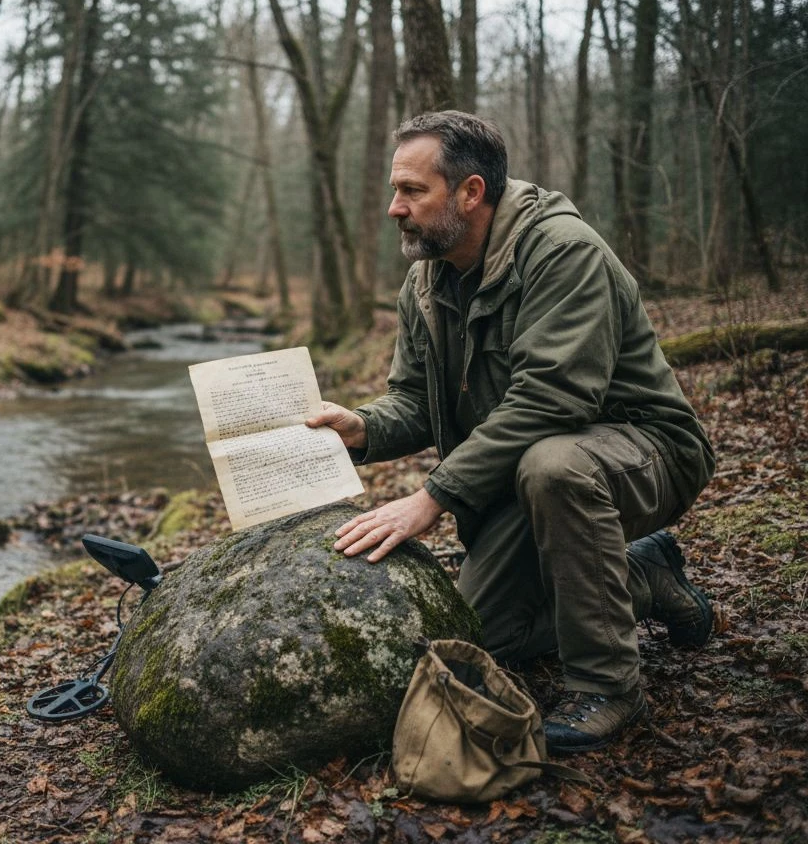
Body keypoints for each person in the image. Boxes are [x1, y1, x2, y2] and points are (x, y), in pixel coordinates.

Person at [306, 111, 715, 754]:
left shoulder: (563, 251)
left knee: (556, 466)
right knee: (481, 640)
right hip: (520, 469)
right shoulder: (426, 281)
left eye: (413, 191)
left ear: (471, 192)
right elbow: (415, 400)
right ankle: (644, 578)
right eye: (395, 190)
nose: (394, 208)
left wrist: (433, 498)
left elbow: (553, 398)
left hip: (645, 449)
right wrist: (360, 429)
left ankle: (608, 685)